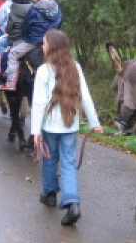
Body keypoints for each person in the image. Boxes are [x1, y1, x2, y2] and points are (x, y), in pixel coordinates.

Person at [31, 29, 103, 226]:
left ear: (51, 47)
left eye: (44, 43)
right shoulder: (76, 67)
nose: (42, 46)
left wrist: (35, 131)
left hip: (49, 127)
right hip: (70, 126)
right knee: (69, 164)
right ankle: (73, 204)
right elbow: (85, 97)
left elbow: (38, 103)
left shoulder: (43, 71)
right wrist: (95, 123)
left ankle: (50, 194)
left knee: (49, 160)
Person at [0, 0, 62, 90]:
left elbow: (26, 27)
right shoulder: (56, 7)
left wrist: (25, 36)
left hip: (34, 41)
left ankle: (10, 83)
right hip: (53, 40)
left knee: (13, 53)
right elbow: (59, 22)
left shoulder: (34, 10)